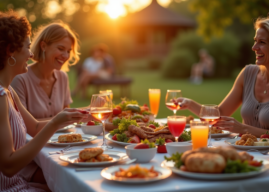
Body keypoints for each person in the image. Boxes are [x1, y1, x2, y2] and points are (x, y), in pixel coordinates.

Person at [0, 11, 88, 191]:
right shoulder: (2, 96)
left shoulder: (8, 92)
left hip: (18, 183)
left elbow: (35, 127)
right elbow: (8, 167)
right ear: (10, 51)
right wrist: (55, 122)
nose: (31, 54)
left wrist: (75, 115)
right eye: (27, 47)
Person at [177, 17, 269, 137]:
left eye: (261, 42)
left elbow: (242, 128)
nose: (254, 47)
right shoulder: (248, 73)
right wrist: (190, 103)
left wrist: (243, 128)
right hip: (246, 154)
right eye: (255, 41)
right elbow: (219, 114)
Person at [11, 21, 79, 120]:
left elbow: (67, 117)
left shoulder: (63, 77)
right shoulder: (20, 79)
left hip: (62, 136)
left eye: (68, 51)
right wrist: (59, 121)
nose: (66, 56)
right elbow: (21, 123)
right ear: (43, 46)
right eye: (60, 49)